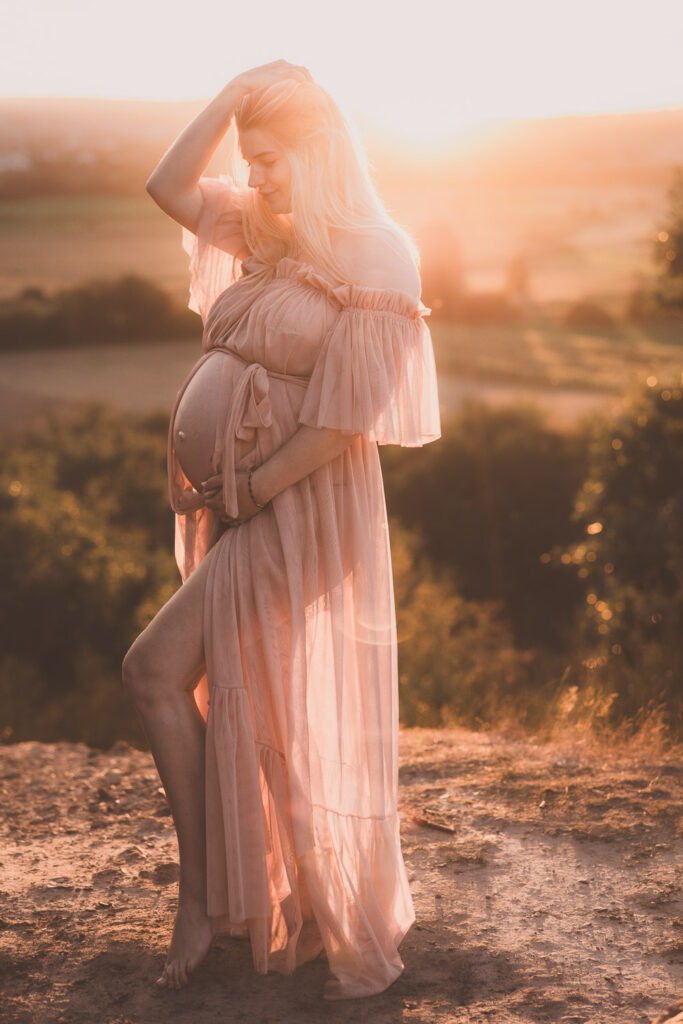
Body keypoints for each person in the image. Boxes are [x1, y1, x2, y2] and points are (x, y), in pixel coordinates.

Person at [122, 59, 441, 1000]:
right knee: (263, 711)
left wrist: (256, 479)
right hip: (243, 505)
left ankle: (202, 896)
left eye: (269, 159)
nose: (253, 177)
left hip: (301, 507)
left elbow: (354, 412)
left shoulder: (379, 253)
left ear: (321, 150)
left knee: (154, 670)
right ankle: (286, 897)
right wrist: (232, 97)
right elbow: (166, 185)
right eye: (248, 160)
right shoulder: (266, 229)